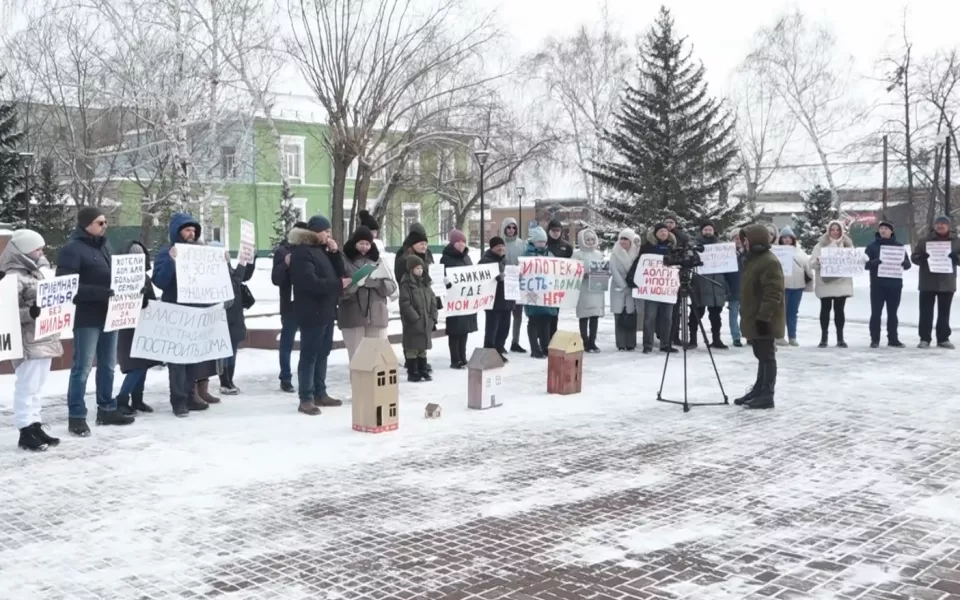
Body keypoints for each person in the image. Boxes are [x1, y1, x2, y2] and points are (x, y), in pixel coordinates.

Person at [57, 206, 133, 436]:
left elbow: (114, 277)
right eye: (100, 222)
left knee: (109, 366)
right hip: (87, 317)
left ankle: (106, 408)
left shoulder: (105, 247)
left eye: (106, 222)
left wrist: (129, 286)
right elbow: (66, 287)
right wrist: (100, 292)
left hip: (110, 314)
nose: (105, 226)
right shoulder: (72, 250)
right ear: (86, 224)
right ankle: (77, 415)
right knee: (82, 368)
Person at [152, 212, 226, 415]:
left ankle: (191, 395)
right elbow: (159, 281)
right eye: (187, 230)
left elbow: (213, 282)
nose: (191, 233)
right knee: (177, 361)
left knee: (195, 358)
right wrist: (171, 261)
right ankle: (179, 401)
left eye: (194, 230)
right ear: (177, 232)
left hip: (198, 314)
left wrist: (222, 263)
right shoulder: (167, 252)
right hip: (176, 313)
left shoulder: (201, 253)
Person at [1, 230, 63, 451]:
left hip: (43, 337)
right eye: (37, 249)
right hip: (27, 340)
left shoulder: (38, 272)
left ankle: (35, 424)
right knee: (27, 386)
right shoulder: (13, 277)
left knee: (37, 386)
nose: (41, 252)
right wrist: (31, 313)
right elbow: (6, 310)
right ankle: (25, 429)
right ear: (25, 251)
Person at [288, 216, 349, 415]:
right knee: (309, 355)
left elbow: (340, 272)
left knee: (323, 353)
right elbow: (310, 283)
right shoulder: (301, 252)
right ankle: (305, 398)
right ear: (315, 232)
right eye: (326, 232)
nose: (329, 235)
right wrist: (337, 286)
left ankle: (320, 393)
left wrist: (335, 253)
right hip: (311, 311)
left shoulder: (322, 251)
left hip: (327, 310)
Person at [735, 224, 785, 410]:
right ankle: (759, 388)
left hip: (764, 318)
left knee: (767, 356)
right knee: (760, 354)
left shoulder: (768, 261)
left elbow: (773, 293)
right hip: (754, 315)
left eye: (745, 240)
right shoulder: (753, 260)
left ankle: (767, 394)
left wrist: (764, 318)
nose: (743, 244)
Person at [339, 225, 397, 361]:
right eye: (361, 243)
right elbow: (339, 291)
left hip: (377, 315)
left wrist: (376, 283)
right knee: (357, 359)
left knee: (377, 359)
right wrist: (356, 283)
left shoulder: (379, 261)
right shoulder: (344, 261)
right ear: (354, 243)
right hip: (353, 316)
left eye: (367, 243)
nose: (364, 247)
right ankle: (358, 383)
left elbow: (392, 287)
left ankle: (372, 383)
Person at [115, 241, 158, 415]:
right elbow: (120, 301)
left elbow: (152, 299)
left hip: (144, 325)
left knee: (143, 364)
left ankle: (137, 399)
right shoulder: (120, 277)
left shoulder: (145, 277)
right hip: (128, 327)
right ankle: (122, 399)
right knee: (136, 366)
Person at [208, 242, 255, 395]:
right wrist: (241, 264)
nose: (226, 255)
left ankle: (230, 380)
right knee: (224, 351)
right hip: (223, 317)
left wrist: (249, 259)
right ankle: (224, 381)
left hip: (234, 316)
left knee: (232, 350)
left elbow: (243, 277)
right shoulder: (212, 273)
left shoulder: (228, 268)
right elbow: (233, 285)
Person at [911, 215, 960, 348]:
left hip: (947, 282)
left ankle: (943, 338)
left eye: (943, 224)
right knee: (926, 312)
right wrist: (922, 257)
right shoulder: (924, 241)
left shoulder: (956, 241)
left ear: (948, 226)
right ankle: (924, 338)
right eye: (938, 224)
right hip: (928, 282)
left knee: (944, 312)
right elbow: (914, 258)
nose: (940, 226)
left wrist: (957, 258)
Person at [394, 225, 437, 373]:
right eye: (421, 243)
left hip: (424, 297)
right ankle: (411, 361)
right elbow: (402, 278)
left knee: (422, 332)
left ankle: (420, 361)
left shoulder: (426, 256)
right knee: (411, 332)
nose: (424, 246)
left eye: (426, 243)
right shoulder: (404, 258)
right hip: (411, 298)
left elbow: (428, 279)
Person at [272, 221, 309, 393]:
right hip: (290, 305)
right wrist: (285, 264)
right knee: (287, 342)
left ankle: (306, 377)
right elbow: (276, 279)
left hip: (308, 304)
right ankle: (285, 377)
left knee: (308, 343)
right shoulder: (283, 251)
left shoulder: (311, 251)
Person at [864, 220, 911, 348]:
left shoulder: (899, 247)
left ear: (891, 231)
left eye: (886, 228)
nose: (883, 230)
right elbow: (864, 265)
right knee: (876, 313)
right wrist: (873, 263)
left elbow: (907, 264)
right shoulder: (871, 247)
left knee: (893, 313)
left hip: (895, 285)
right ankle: (875, 339)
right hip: (877, 285)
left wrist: (906, 264)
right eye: (881, 228)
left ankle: (893, 338)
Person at [810, 220, 855, 348]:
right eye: (832, 230)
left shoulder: (847, 245)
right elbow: (811, 263)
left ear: (841, 231)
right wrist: (818, 261)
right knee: (825, 310)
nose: (835, 232)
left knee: (839, 311)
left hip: (842, 282)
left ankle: (840, 338)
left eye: (837, 230)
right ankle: (824, 338)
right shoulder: (820, 245)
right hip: (826, 283)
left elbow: (854, 261)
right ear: (828, 231)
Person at [635, 223, 677, 354]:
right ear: (655, 233)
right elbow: (639, 264)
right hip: (651, 289)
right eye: (661, 231)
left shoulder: (673, 247)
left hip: (668, 289)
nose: (663, 233)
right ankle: (647, 345)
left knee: (667, 318)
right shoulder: (647, 248)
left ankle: (665, 343)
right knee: (649, 317)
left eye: (665, 231)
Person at [688, 221, 730, 350]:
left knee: (716, 315)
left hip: (716, 283)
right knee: (696, 314)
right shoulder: (693, 245)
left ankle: (716, 339)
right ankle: (693, 340)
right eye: (705, 229)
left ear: (713, 231)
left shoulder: (721, 246)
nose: (707, 232)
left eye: (710, 229)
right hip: (699, 283)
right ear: (701, 231)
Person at [440, 229, 478, 369]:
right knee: (455, 330)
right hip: (454, 300)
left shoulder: (467, 258)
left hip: (466, 300)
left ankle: (462, 356)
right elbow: (441, 277)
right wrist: (446, 282)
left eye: (463, 241)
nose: (461, 244)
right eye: (458, 242)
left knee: (465, 330)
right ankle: (455, 358)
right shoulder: (446, 258)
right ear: (452, 243)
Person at [398, 254, 438, 382]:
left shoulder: (425, 283)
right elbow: (405, 303)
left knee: (422, 348)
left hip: (426, 321)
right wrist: (415, 318)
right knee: (412, 348)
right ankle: (413, 371)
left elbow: (433, 300)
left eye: (421, 268)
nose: (420, 271)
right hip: (413, 323)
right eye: (417, 268)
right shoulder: (406, 284)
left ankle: (423, 369)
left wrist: (433, 317)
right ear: (411, 270)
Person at [523, 227, 556, 358]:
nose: (541, 244)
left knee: (546, 321)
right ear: (534, 242)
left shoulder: (550, 254)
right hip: (532, 292)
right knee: (534, 321)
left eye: (543, 241)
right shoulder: (527, 255)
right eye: (539, 241)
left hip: (546, 293)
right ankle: (534, 348)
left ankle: (545, 346)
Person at [478, 236, 513, 361]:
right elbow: (480, 277)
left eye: (502, 246)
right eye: (498, 246)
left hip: (507, 300)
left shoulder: (506, 261)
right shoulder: (485, 261)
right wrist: (495, 277)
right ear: (492, 248)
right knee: (492, 329)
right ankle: (489, 352)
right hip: (493, 302)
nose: (501, 248)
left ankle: (499, 350)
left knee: (504, 328)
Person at [778, 226, 813, 347]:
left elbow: (807, 268)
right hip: (783, 286)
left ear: (793, 239)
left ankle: (792, 336)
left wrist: (810, 282)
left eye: (789, 237)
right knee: (781, 313)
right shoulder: (777, 252)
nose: (786, 240)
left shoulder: (800, 252)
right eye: (784, 237)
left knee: (793, 313)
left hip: (798, 286)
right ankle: (780, 336)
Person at [573, 228, 606, 352]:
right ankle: (585, 341)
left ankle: (592, 341)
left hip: (596, 289)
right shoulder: (577, 254)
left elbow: (603, 267)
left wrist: (605, 273)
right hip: (583, 289)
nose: (590, 242)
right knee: (584, 315)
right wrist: (582, 274)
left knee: (594, 315)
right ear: (582, 240)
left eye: (592, 239)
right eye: (587, 239)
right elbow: (571, 270)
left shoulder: (598, 254)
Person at [610, 228, 640, 352]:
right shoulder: (615, 253)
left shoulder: (636, 252)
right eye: (621, 239)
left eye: (626, 239)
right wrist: (624, 286)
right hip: (619, 287)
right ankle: (621, 343)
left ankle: (631, 342)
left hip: (633, 287)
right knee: (619, 316)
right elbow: (614, 271)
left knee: (631, 315)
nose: (623, 242)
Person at [500, 218, 527, 353]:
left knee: (518, 314)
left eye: (513, 227)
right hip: (504, 283)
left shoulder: (522, 244)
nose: (511, 230)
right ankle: (501, 343)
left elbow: (527, 261)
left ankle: (515, 342)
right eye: (508, 227)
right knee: (504, 315)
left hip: (518, 282)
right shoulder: (500, 243)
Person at [664, 214, 688, 346]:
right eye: (667, 222)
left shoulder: (682, 237)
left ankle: (675, 336)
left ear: (675, 224)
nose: (669, 225)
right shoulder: (660, 235)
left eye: (671, 222)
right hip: (661, 277)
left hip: (677, 275)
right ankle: (664, 334)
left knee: (676, 308)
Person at [726, 230, 745, 347]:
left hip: (747, 288)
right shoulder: (727, 254)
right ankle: (736, 337)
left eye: (740, 238)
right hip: (733, 287)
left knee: (746, 315)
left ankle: (748, 335)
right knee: (733, 314)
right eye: (736, 238)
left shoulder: (749, 252)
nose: (738, 240)